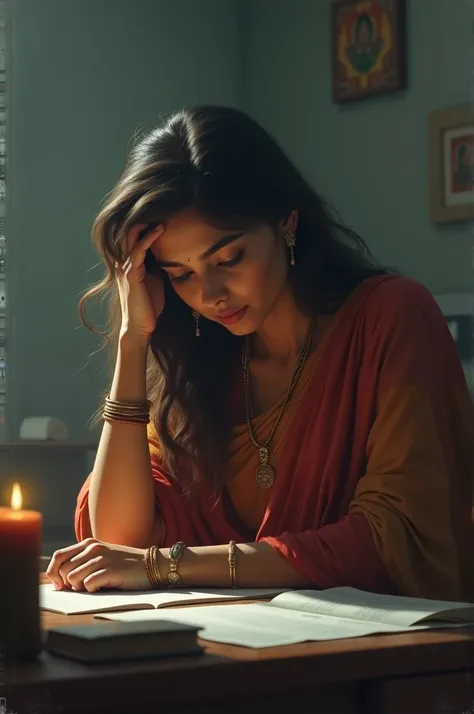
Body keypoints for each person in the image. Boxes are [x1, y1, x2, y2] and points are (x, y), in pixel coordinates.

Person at [46, 105, 474, 601]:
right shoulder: (203, 364)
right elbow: (120, 540)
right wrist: (133, 340)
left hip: (375, 661)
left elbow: (393, 540)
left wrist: (168, 568)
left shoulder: (390, 318)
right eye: (181, 275)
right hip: (225, 655)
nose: (210, 294)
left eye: (228, 258)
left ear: (287, 222)